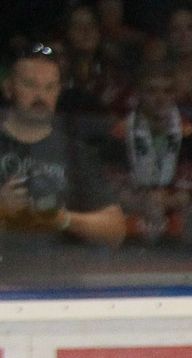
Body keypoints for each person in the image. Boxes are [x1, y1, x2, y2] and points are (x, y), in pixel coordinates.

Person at [0, 44, 125, 256]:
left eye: (49, 87)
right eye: (30, 85)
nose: (40, 95)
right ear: (8, 87)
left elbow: (115, 230)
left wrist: (61, 219)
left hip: (57, 278)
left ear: (59, 91)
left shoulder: (75, 152)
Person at [111, 60, 192, 247]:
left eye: (167, 91)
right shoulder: (119, 134)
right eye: (152, 91)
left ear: (175, 95)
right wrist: (142, 201)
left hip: (176, 206)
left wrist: (168, 200)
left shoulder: (190, 134)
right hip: (133, 206)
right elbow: (112, 186)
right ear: (138, 94)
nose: (160, 98)